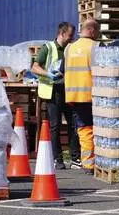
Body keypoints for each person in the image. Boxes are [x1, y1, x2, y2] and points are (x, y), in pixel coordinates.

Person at [31, 22, 81, 170]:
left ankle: (74, 158)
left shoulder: (71, 49)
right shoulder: (48, 48)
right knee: (55, 125)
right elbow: (34, 67)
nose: (72, 38)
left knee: (73, 125)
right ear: (62, 34)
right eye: (70, 35)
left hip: (69, 90)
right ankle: (56, 158)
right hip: (53, 91)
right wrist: (48, 74)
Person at [63, 19, 101, 174]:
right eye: (97, 31)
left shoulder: (69, 48)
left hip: (73, 96)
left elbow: (63, 70)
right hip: (92, 95)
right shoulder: (96, 47)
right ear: (92, 31)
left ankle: (88, 162)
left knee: (83, 129)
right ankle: (92, 162)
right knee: (96, 130)